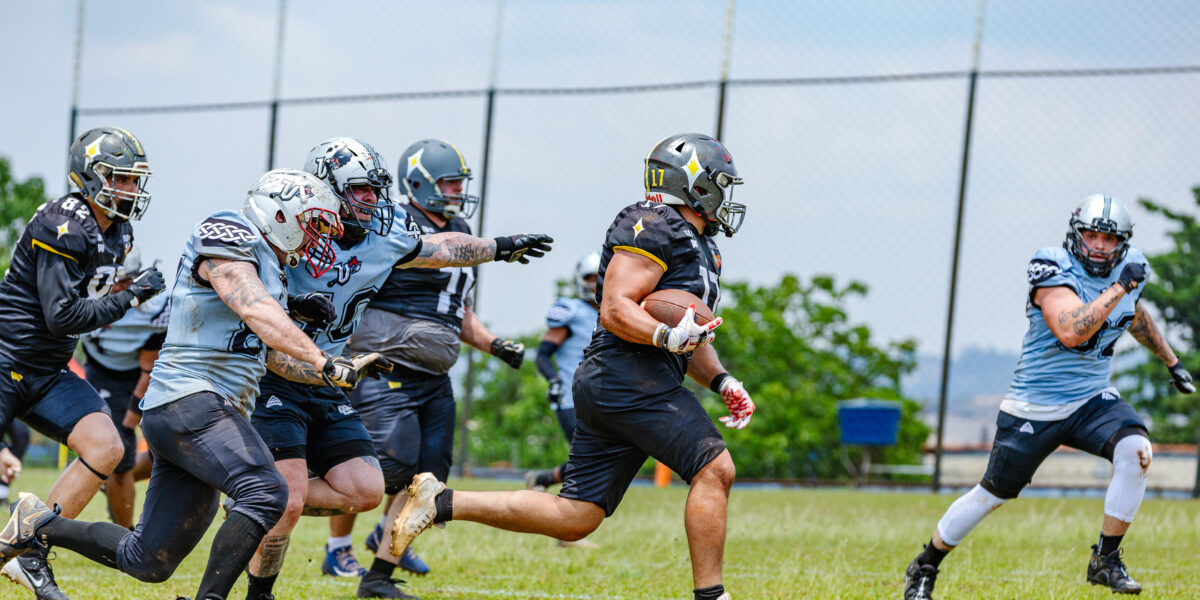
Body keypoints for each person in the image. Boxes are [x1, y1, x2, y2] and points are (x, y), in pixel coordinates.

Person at [390, 133, 756, 600]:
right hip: (626, 375)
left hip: (630, 380)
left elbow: (690, 334)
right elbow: (616, 308)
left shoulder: (704, 246)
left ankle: (440, 502)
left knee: (577, 515)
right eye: (720, 182)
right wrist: (665, 335)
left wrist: (722, 379)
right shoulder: (652, 223)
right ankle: (711, 595)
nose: (726, 194)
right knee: (715, 469)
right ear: (696, 183)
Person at [0, 169, 378, 600]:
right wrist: (319, 355)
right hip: (189, 399)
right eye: (312, 223)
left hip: (207, 411)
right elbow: (253, 309)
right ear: (279, 212)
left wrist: (336, 370)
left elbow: (272, 356)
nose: (316, 237)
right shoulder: (231, 231)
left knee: (149, 559)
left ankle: (37, 523)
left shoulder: (272, 268)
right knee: (266, 491)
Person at [245, 138, 553, 600]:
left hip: (383, 375)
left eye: (376, 189)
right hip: (325, 371)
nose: (373, 200)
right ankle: (286, 526)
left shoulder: (395, 230)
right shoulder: (320, 230)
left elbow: (446, 276)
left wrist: (499, 257)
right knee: (368, 471)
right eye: (363, 190)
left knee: (402, 483)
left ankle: (373, 570)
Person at [902, 195, 1196, 600]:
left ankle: (1105, 559)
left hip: (1092, 398)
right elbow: (1073, 330)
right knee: (992, 495)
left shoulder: (1130, 273)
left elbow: (1134, 312)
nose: (1098, 245)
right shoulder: (1053, 266)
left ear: (1123, 244)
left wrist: (1171, 359)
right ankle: (925, 566)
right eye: (1091, 235)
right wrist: (1119, 285)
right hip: (1035, 405)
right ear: (1076, 235)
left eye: (1109, 239)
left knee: (1137, 450)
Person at [327, 138, 535, 598]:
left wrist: (494, 344)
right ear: (419, 183)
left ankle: (383, 561)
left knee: (428, 478)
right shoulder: (394, 220)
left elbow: (455, 310)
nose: (457, 190)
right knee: (383, 464)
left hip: (433, 373)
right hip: (388, 363)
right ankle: (335, 544)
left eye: (461, 182)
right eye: (449, 182)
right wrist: (497, 246)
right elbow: (432, 251)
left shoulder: (461, 228)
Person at [0, 127, 165, 600]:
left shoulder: (120, 232)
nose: (131, 190)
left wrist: (123, 286)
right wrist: (131, 297)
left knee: (107, 448)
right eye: (121, 179)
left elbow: (85, 296)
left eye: (135, 181)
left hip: (48, 372)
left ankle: (30, 551)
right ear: (91, 176)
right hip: (7, 359)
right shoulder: (62, 223)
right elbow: (62, 316)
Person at [81, 248, 170, 529]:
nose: (116, 289)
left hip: (141, 374)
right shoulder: (81, 294)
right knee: (118, 456)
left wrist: (132, 419)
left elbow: (149, 369)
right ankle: (124, 534)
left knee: (171, 451)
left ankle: (116, 478)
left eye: (123, 282)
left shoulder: (153, 310)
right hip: (102, 371)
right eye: (110, 282)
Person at [526, 252, 600, 497]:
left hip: (604, 395)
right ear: (580, 280)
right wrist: (554, 380)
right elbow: (542, 355)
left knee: (601, 457)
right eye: (591, 277)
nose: (596, 282)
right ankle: (566, 510)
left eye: (601, 277)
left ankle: (542, 480)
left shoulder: (617, 310)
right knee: (588, 456)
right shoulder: (571, 310)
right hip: (572, 395)